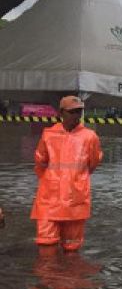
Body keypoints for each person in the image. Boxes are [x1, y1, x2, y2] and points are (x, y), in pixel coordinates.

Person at [30, 95, 103, 252]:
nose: (76, 115)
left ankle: (68, 276)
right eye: (72, 112)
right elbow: (40, 161)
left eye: (79, 111)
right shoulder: (48, 134)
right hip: (49, 200)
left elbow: (94, 162)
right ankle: (50, 276)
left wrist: (75, 179)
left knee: (72, 248)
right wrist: (51, 181)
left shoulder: (90, 137)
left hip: (75, 200)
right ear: (61, 113)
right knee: (45, 245)